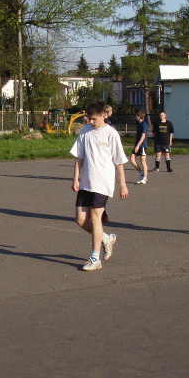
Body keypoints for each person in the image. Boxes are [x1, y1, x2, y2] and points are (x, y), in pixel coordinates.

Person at [70, 101, 129, 270]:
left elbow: (119, 161)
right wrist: (76, 178)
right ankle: (105, 238)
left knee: (95, 218)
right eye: (88, 118)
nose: (90, 121)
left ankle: (95, 259)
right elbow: (79, 157)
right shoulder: (85, 131)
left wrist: (123, 184)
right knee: (81, 220)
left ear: (103, 115)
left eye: (93, 119)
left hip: (103, 183)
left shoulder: (111, 134)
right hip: (85, 182)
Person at [129, 109, 148, 184]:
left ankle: (145, 178)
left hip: (142, 145)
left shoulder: (144, 124)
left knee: (143, 161)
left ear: (139, 116)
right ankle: (141, 172)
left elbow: (143, 136)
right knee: (132, 160)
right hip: (137, 145)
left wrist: (138, 146)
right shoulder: (138, 124)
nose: (135, 116)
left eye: (136, 115)